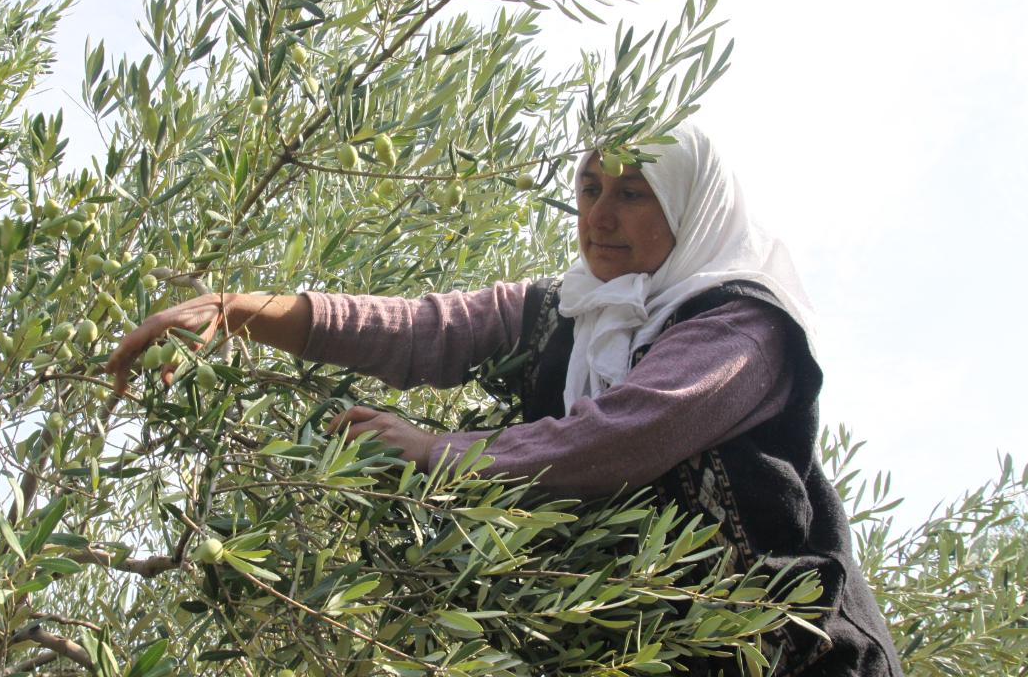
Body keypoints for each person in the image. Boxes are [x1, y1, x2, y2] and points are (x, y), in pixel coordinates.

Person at [108, 123, 903, 676]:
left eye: (634, 193)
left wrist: (441, 453)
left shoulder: (741, 321)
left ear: (692, 205)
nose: (600, 214)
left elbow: (625, 434)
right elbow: (425, 331)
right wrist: (239, 312)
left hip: (800, 656)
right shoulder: (569, 309)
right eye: (590, 187)